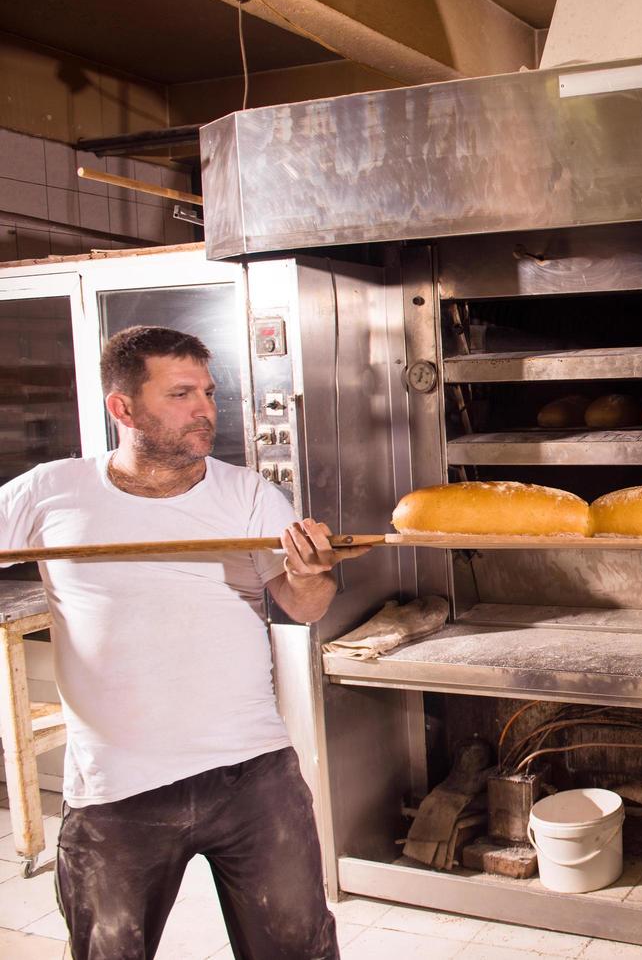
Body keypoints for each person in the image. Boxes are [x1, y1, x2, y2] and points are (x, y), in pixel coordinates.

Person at [0, 325, 370, 959]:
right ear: (123, 408)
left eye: (208, 391)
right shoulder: (48, 491)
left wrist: (313, 573)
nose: (205, 408)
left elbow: (302, 607)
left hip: (252, 774)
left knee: (297, 951)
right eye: (181, 394)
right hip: (118, 786)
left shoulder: (247, 492)